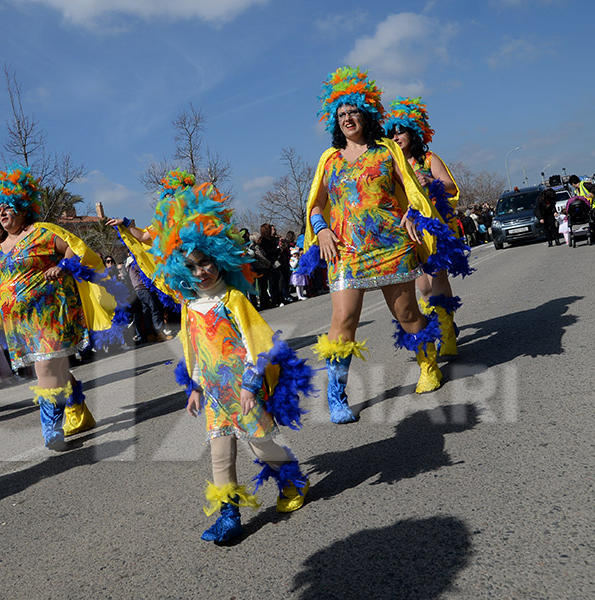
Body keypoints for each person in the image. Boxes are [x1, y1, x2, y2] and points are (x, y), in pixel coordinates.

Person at [115, 171, 314, 544]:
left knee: (261, 443)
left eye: (205, 263)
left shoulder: (233, 301)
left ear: (220, 260)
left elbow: (261, 345)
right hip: (213, 392)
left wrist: (252, 386)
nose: (200, 272)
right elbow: (191, 349)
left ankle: (293, 482)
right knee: (220, 454)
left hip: (244, 388)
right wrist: (193, 386)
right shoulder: (191, 305)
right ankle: (229, 515)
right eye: (190, 267)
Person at [301, 67, 471, 423]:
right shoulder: (328, 159)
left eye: (354, 111)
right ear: (336, 120)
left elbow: (411, 190)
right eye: (342, 113)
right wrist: (321, 229)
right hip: (345, 251)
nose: (348, 118)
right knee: (343, 319)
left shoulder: (387, 150)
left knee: (408, 314)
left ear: (367, 114)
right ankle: (336, 395)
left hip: (391, 245)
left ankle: (428, 365)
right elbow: (316, 203)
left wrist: (412, 213)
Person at [0, 165, 126, 450]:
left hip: (51, 314)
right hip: (20, 323)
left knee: (45, 368)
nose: (3, 212)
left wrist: (62, 265)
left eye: (9, 206)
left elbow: (75, 247)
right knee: (55, 368)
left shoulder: (43, 232)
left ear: (24, 208)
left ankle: (51, 429)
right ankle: (79, 413)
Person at [384, 96, 468, 356]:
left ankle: (446, 335)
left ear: (413, 133)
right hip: (404, 231)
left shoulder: (429, 158)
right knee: (422, 286)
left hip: (430, 227)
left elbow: (452, 188)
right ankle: (437, 329)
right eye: (392, 133)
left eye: (401, 131)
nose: (396, 137)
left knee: (438, 279)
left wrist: (431, 181)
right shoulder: (389, 164)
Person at [569, 175, 595, 243]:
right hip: (592, 207)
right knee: (593, 222)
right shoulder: (576, 191)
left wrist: (591, 194)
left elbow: (594, 188)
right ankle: (594, 237)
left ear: (573, 184)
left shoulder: (584, 184)